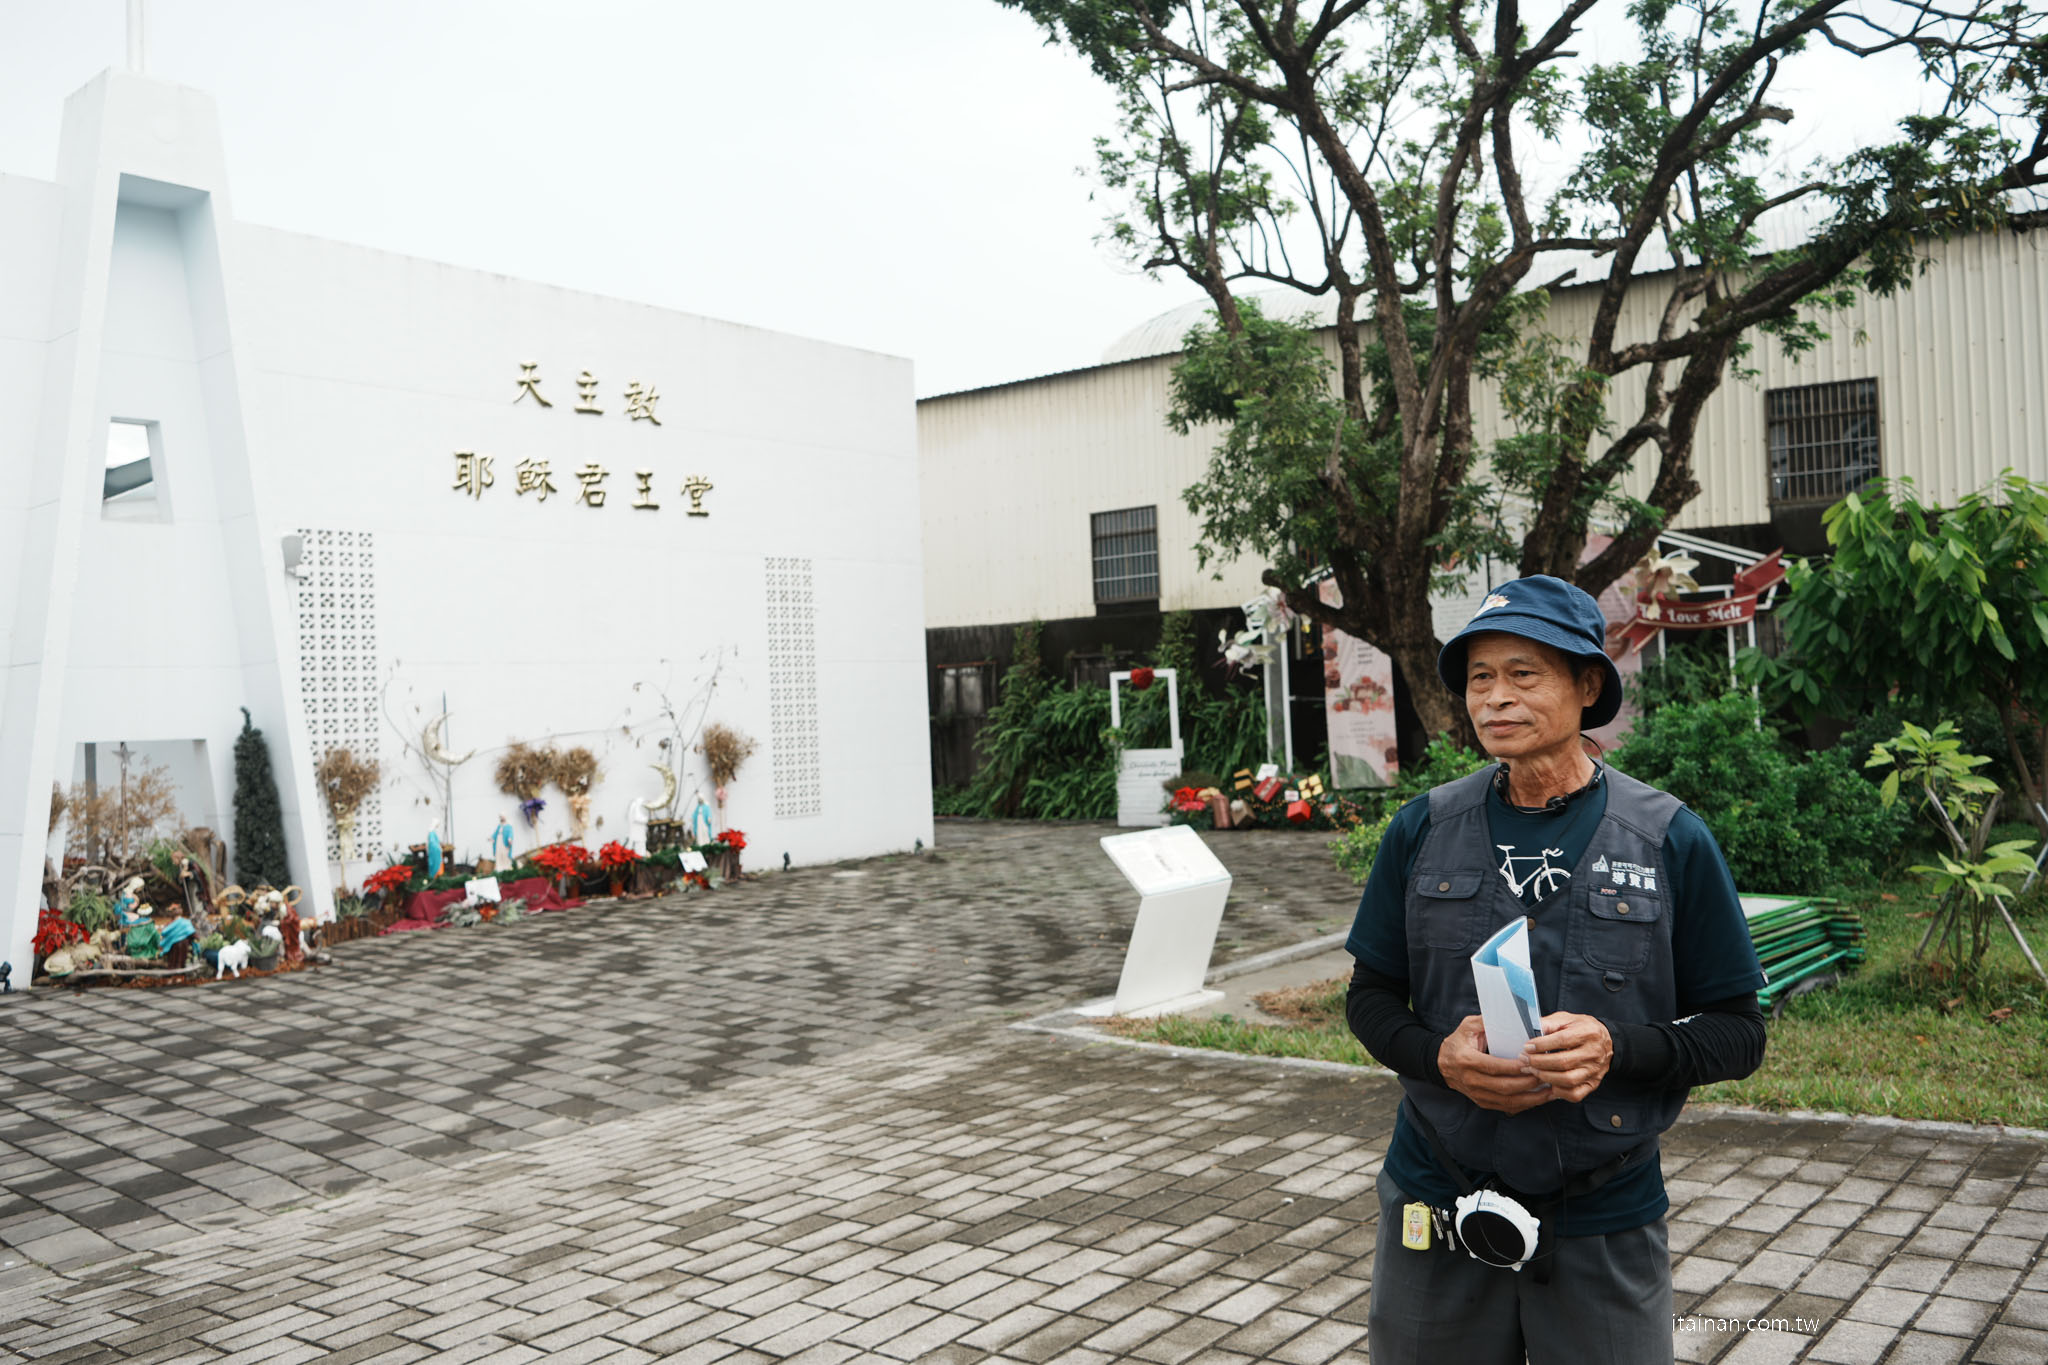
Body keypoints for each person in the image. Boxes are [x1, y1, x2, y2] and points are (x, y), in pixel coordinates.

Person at [1346, 575, 1767, 1365]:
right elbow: (1369, 997)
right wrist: (1438, 1055)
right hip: (1436, 1199)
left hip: (1602, 1210)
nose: (1495, 698)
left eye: (1524, 674)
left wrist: (1618, 1049)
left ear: (1587, 685)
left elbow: (1739, 1032)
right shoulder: (1423, 829)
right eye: (1480, 677)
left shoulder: (1668, 838)